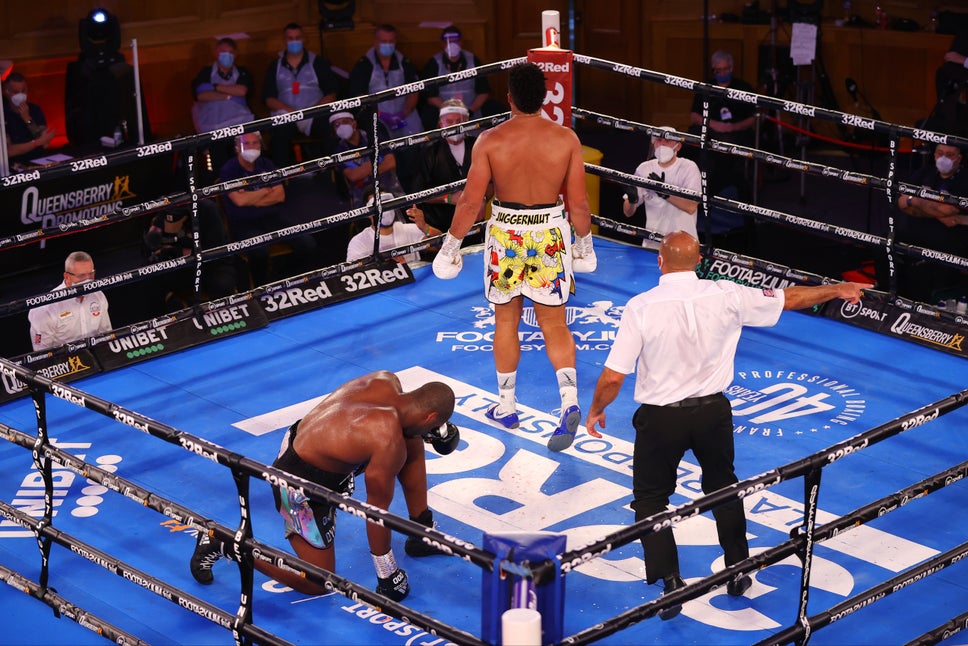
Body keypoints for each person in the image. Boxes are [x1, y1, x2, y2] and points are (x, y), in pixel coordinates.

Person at [584, 231, 868, 620]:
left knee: (651, 500)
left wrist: (597, 409)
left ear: (660, 261)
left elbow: (614, 376)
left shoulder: (642, 306)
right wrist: (836, 289)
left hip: (661, 417)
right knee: (723, 486)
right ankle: (739, 569)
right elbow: (792, 297)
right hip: (712, 413)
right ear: (699, 259)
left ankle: (670, 583)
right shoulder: (727, 294)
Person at [431, 62, 597, 452]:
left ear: (509, 97)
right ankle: (569, 402)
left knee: (505, 320)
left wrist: (450, 246)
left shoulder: (489, 140)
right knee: (554, 324)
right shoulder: (566, 138)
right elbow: (579, 201)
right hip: (549, 233)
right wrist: (584, 246)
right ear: (544, 99)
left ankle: (507, 406)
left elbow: (472, 200)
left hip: (506, 234)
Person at [190, 370, 459, 601]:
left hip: (308, 444)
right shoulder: (387, 439)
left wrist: (428, 432)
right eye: (433, 424)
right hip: (296, 484)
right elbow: (375, 512)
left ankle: (421, 532)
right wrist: (387, 573)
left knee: (411, 439)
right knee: (318, 582)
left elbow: (389, 425)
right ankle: (222, 542)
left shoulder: (386, 381)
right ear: (429, 416)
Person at [218, 131, 318, 286]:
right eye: (247, 143)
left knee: (308, 243)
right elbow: (239, 201)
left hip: (272, 218)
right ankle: (262, 288)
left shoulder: (266, 164)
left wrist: (251, 197)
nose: (252, 147)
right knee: (260, 252)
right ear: (237, 147)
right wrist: (265, 191)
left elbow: (279, 196)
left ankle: (282, 278)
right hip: (244, 222)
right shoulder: (229, 169)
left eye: (255, 143)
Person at [895, 142, 968, 303]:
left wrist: (915, 201)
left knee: (921, 270)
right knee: (883, 242)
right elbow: (902, 202)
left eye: (949, 155)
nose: (943, 158)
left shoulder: (965, 179)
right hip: (914, 231)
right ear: (934, 155)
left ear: (958, 158)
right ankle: (889, 296)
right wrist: (934, 209)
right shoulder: (924, 173)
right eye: (940, 153)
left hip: (947, 239)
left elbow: (949, 211)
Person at [263, 22, 341, 166]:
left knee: (332, 129)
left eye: (297, 37)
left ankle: (336, 173)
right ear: (284, 41)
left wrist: (312, 112)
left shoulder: (318, 62)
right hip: (287, 114)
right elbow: (269, 99)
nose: (294, 41)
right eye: (290, 38)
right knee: (277, 136)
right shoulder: (275, 66)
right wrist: (291, 112)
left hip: (314, 113)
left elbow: (331, 94)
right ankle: (280, 181)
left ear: (304, 39)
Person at [687, 50, 756, 198]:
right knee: (691, 142)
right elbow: (694, 116)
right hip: (710, 129)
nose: (722, 73)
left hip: (735, 133)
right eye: (718, 70)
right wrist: (713, 124)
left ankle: (718, 190)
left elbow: (752, 119)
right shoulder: (706, 87)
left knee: (725, 153)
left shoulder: (744, 88)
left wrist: (733, 127)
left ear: (731, 68)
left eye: (725, 69)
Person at [621, 127, 700, 250]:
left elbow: (691, 207)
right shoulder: (644, 168)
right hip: (653, 245)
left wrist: (664, 193)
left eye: (667, 141)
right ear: (654, 143)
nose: (662, 144)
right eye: (659, 140)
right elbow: (628, 212)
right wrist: (632, 200)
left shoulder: (688, 167)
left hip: (683, 246)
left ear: (678, 146)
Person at [412, 98, 481, 234]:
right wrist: (449, 198)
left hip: (474, 221)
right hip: (441, 224)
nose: (455, 125)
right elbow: (418, 192)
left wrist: (482, 199)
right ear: (441, 124)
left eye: (459, 121)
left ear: (467, 122)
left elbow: (492, 181)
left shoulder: (478, 145)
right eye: (449, 122)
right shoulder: (429, 152)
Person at [191, 37, 256, 172]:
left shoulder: (243, 72)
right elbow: (201, 95)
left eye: (230, 52)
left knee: (243, 153)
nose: (226, 56)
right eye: (223, 52)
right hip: (213, 125)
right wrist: (229, 95)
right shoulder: (205, 72)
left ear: (235, 55)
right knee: (219, 159)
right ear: (216, 53)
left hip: (239, 123)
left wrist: (213, 87)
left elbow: (242, 90)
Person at [348, 24, 423, 138]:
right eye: (384, 41)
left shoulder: (405, 62)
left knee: (416, 139)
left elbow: (414, 90)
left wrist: (404, 113)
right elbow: (359, 95)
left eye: (390, 41)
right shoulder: (364, 64)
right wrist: (381, 115)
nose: (387, 44)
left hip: (404, 113)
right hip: (377, 115)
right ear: (376, 42)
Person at [28, 251, 113, 351]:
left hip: (96, 357)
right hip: (62, 361)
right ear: (67, 277)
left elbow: (106, 335)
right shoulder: (45, 308)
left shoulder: (98, 295)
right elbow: (42, 355)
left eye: (91, 274)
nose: (88, 280)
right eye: (81, 276)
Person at [419, 25, 500, 129]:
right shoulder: (434, 63)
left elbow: (483, 92)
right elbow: (431, 97)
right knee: (428, 113)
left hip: (471, 111)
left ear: (461, 42)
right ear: (442, 44)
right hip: (444, 112)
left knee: (494, 107)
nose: (452, 44)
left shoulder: (473, 60)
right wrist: (450, 111)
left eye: (455, 41)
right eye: (448, 42)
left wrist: (470, 111)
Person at [346, 189, 440, 265]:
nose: (385, 209)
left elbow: (442, 247)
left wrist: (425, 227)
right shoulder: (359, 242)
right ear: (368, 213)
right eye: (379, 206)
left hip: (416, 285)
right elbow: (352, 273)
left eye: (388, 203)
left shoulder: (409, 229)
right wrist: (388, 266)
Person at [330, 110, 404, 206]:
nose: (341, 126)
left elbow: (390, 163)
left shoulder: (375, 137)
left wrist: (363, 171)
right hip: (362, 192)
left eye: (345, 122)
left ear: (354, 124)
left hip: (388, 184)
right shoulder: (338, 152)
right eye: (337, 125)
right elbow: (353, 176)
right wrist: (376, 162)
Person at [2, 72, 56, 168]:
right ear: (7, 91)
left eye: (23, 91)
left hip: (38, 162)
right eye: (16, 92)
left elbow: (45, 143)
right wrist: (37, 143)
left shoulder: (35, 109)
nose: (21, 95)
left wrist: (28, 120)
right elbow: (8, 151)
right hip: (15, 165)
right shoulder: (3, 115)